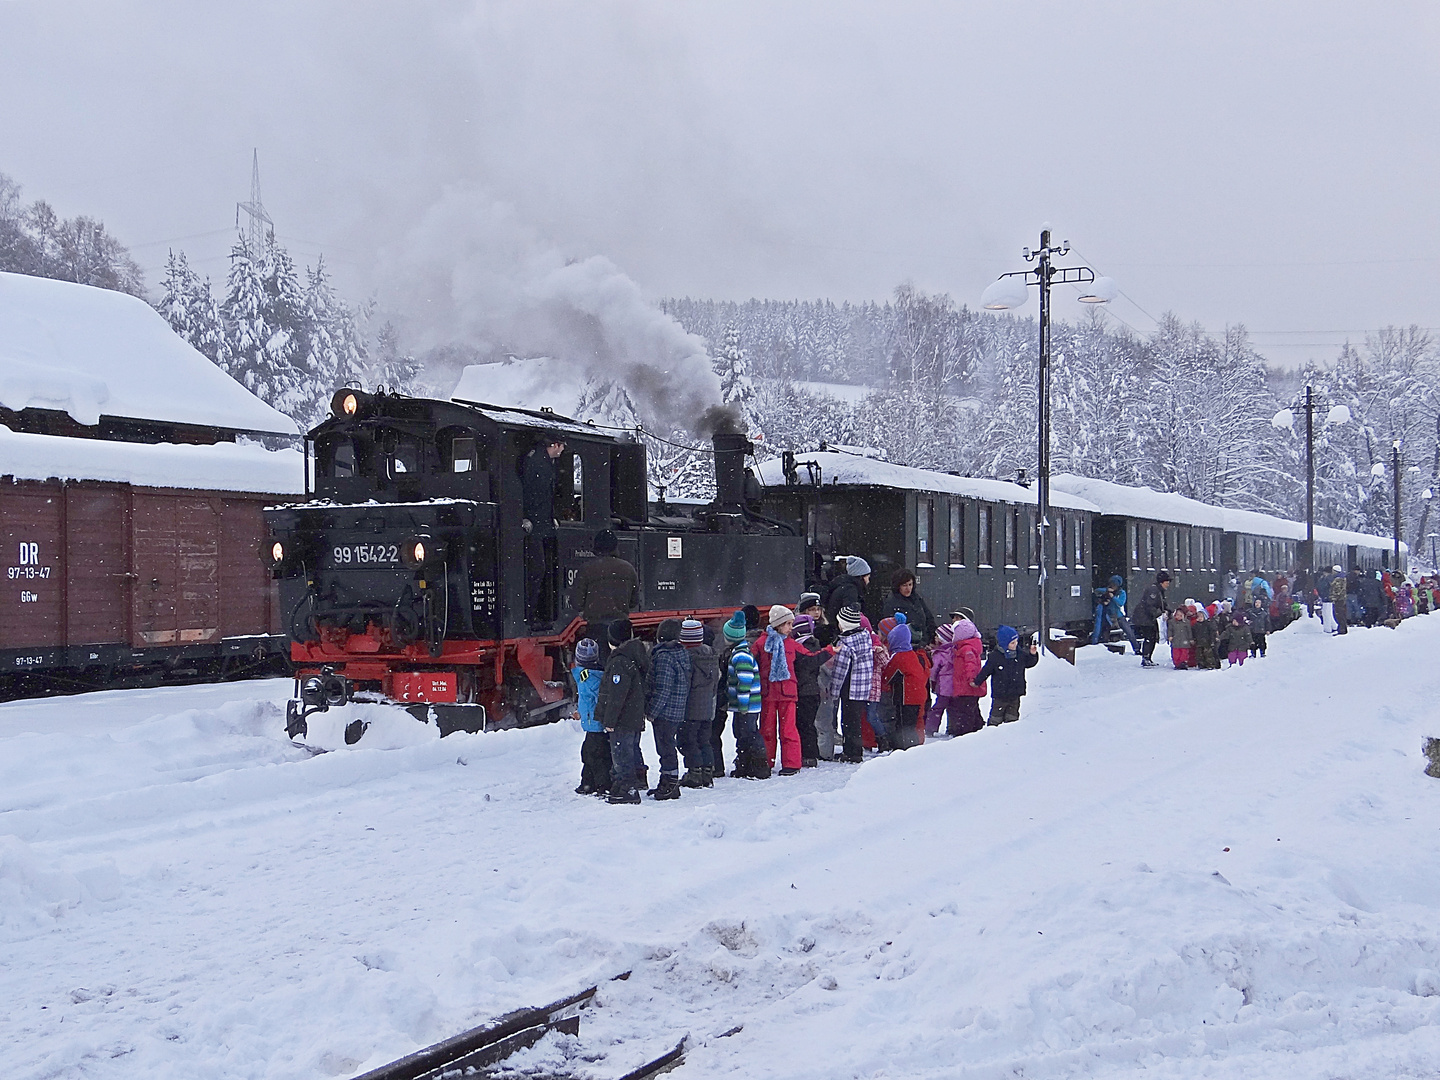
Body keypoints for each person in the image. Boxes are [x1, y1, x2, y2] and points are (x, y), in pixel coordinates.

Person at [595, 619, 649, 804]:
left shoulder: (619, 662)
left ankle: (627, 789)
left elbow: (617, 695)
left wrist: (609, 720)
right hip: (634, 714)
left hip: (623, 718)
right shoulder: (635, 655)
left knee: (621, 753)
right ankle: (632, 782)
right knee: (631, 750)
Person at [521, 431, 566, 627]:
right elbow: (530, 493)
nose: (563, 450)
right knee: (537, 569)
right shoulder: (536, 462)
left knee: (544, 568)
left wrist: (551, 517)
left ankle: (535, 614)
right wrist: (524, 517)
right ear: (554, 445)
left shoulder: (542, 461)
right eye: (562, 445)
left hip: (541, 522)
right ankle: (529, 615)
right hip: (533, 524)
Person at [645, 619, 691, 800]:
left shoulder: (663, 657)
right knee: (667, 746)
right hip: (677, 708)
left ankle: (670, 784)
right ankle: (669, 780)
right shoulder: (681, 653)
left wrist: (652, 711)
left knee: (665, 748)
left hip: (665, 711)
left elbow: (662, 688)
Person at [757, 605, 804, 775]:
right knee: (767, 730)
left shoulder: (791, 644)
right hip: (769, 692)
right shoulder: (761, 643)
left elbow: (807, 658)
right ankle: (765, 761)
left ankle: (791, 763)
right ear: (778, 624)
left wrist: (828, 652)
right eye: (788, 624)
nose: (791, 628)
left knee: (788, 730)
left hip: (787, 692)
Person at [570, 529, 639, 644]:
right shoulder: (629, 569)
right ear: (615, 547)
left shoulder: (586, 569)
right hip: (621, 625)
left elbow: (577, 602)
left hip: (596, 627)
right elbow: (634, 601)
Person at [723, 610, 770, 779]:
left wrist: (742, 705)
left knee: (748, 733)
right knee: (742, 733)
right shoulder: (741, 652)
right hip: (745, 705)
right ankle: (745, 764)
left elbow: (745, 682)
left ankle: (758, 766)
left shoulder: (740, 656)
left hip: (747, 705)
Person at [827, 604, 876, 763]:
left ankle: (852, 752)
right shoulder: (865, 637)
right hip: (863, 685)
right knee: (855, 719)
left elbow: (840, 671)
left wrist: (833, 691)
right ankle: (855, 750)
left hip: (850, 685)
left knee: (848, 720)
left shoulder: (845, 644)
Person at [678, 620, 719, 788]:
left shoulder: (687, 658)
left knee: (688, 740)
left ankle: (694, 772)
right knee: (704, 740)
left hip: (690, 708)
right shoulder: (711, 655)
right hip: (708, 707)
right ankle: (707, 771)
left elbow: (684, 684)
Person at [972, 625, 1039, 725]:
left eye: (1016, 641)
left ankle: (1010, 731)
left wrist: (1033, 655)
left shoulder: (1019, 654)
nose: (1015, 645)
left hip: (1015, 693)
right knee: (996, 717)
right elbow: (986, 671)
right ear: (1004, 643)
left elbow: (1029, 663)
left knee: (1012, 716)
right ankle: (992, 731)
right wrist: (977, 682)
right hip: (1000, 694)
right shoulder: (995, 657)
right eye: (1012, 643)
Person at [882, 620, 931, 748]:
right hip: (917, 695)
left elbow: (887, 676)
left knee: (904, 724)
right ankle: (912, 746)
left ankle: (905, 748)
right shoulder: (911, 654)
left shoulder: (899, 657)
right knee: (911, 724)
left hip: (906, 698)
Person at [572, 638, 610, 796]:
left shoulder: (588, 679)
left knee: (594, 755)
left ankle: (600, 785)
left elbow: (600, 699)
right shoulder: (588, 676)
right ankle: (588, 782)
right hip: (593, 723)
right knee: (591, 753)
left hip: (596, 724)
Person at [791, 614, 827, 767]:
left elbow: (803, 669)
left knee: (804, 724)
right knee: (808, 724)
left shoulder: (803, 648)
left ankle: (809, 754)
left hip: (805, 691)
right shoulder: (814, 645)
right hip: (812, 691)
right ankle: (809, 753)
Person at [947, 618, 987, 736]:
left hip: (967, 686)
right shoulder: (964, 647)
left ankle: (965, 732)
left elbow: (971, 665)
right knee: (971, 708)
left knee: (965, 711)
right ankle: (977, 727)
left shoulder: (967, 649)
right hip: (965, 687)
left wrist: (971, 679)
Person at [886, 569, 936, 647]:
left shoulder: (917, 598)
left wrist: (931, 638)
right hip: (905, 646)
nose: (908, 589)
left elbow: (929, 618)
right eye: (904, 585)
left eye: (910, 584)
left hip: (923, 644)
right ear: (898, 586)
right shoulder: (891, 602)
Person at [1133, 571, 1172, 667]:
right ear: (1161, 582)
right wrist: (1160, 613)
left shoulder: (1158, 591)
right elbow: (1149, 606)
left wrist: (1169, 611)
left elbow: (1163, 605)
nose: (1168, 584)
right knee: (1150, 637)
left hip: (1148, 618)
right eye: (1167, 582)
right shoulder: (1154, 591)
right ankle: (1146, 658)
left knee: (1152, 637)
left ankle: (1147, 658)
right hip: (1145, 618)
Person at [924, 622, 956, 736]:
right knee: (952, 708)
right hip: (954, 686)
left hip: (943, 686)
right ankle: (952, 727)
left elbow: (933, 671)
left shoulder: (940, 654)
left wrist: (932, 680)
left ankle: (930, 729)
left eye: (937, 636)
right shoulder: (954, 651)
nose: (935, 638)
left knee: (938, 708)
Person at [825, 556, 871, 625]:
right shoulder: (851, 590)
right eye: (868, 577)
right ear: (861, 576)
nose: (868, 581)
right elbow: (849, 616)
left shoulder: (845, 586)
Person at [1192, 604, 1220, 670]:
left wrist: (1212, 640)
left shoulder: (1208, 624)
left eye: (1201, 616)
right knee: (1199, 654)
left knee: (1208, 654)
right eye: (1198, 617)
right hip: (1199, 642)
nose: (1199, 618)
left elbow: (1211, 633)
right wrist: (1194, 639)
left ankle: (1210, 664)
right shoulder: (1195, 625)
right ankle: (1201, 664)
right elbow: (1194, 633)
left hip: (1207, 642)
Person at [1168, 604, 1194, 669]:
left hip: (1184, 640)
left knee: (1184, 653)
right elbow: (1170, 630)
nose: (1178, 617)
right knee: (1176, 653)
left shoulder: (1186, 622)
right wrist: (1170, 636)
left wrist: (1190, 639)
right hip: (1176, 640)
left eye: (1180, 615)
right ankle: (1177, 663)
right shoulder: (1172, 622)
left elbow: (1189, 631)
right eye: (1177, 615)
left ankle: (1183, 662)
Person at [1330, 568, 1349, 635]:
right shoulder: (1343, 578)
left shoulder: (1337, 579)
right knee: (1342, 614)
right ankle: (1343, 628)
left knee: (1338, 614)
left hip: (1338, 599)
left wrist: (1333, 598)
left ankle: (1341, 629)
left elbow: (1337, 590)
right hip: (1342, 599)